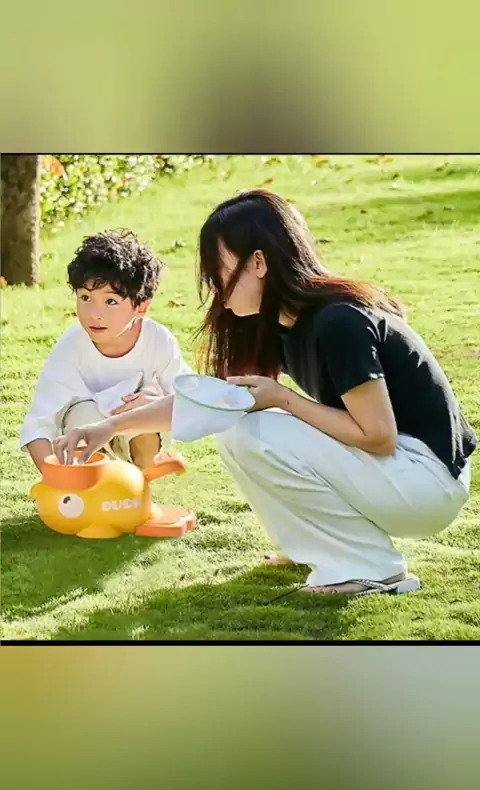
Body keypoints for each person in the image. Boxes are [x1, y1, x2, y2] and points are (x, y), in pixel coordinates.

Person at [53, 191, 477, 596]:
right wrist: (109, 427)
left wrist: (284, 399)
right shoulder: (278, 324)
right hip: (397, 473)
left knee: (254, 431)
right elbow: (213, 403)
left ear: (258, 263)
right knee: (238, 428)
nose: (213, 285)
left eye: (218, 270)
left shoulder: (339, 323)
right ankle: (316, 549)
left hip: (427, 482)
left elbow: (378, 436)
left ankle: (372, 570)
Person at [21, 229, 191, 471]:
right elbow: (39, 424)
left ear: (141, 308)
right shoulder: (72, 348)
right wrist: (55, 478)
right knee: (84, 417)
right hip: (85, 434)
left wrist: (157, 403)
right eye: (85, 298)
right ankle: (92, 483)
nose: (95, 314)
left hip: (137, 435)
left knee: (145, 408)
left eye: (111, 301)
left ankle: (142, 482)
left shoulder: (158, 341)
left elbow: (191, 402)